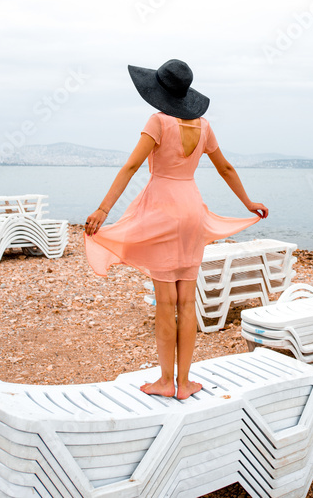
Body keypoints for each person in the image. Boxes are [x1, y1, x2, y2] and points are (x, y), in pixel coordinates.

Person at [83, 59, 268, 400]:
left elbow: (131, 166)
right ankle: (185, 383)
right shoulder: (204, 126)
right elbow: (225, 167)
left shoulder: (158, 122)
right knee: (187, 301)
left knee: (165, 303)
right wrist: (247, 202)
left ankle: (166, 381)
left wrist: (103, 209)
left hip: (162, 209)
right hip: (191, 209)